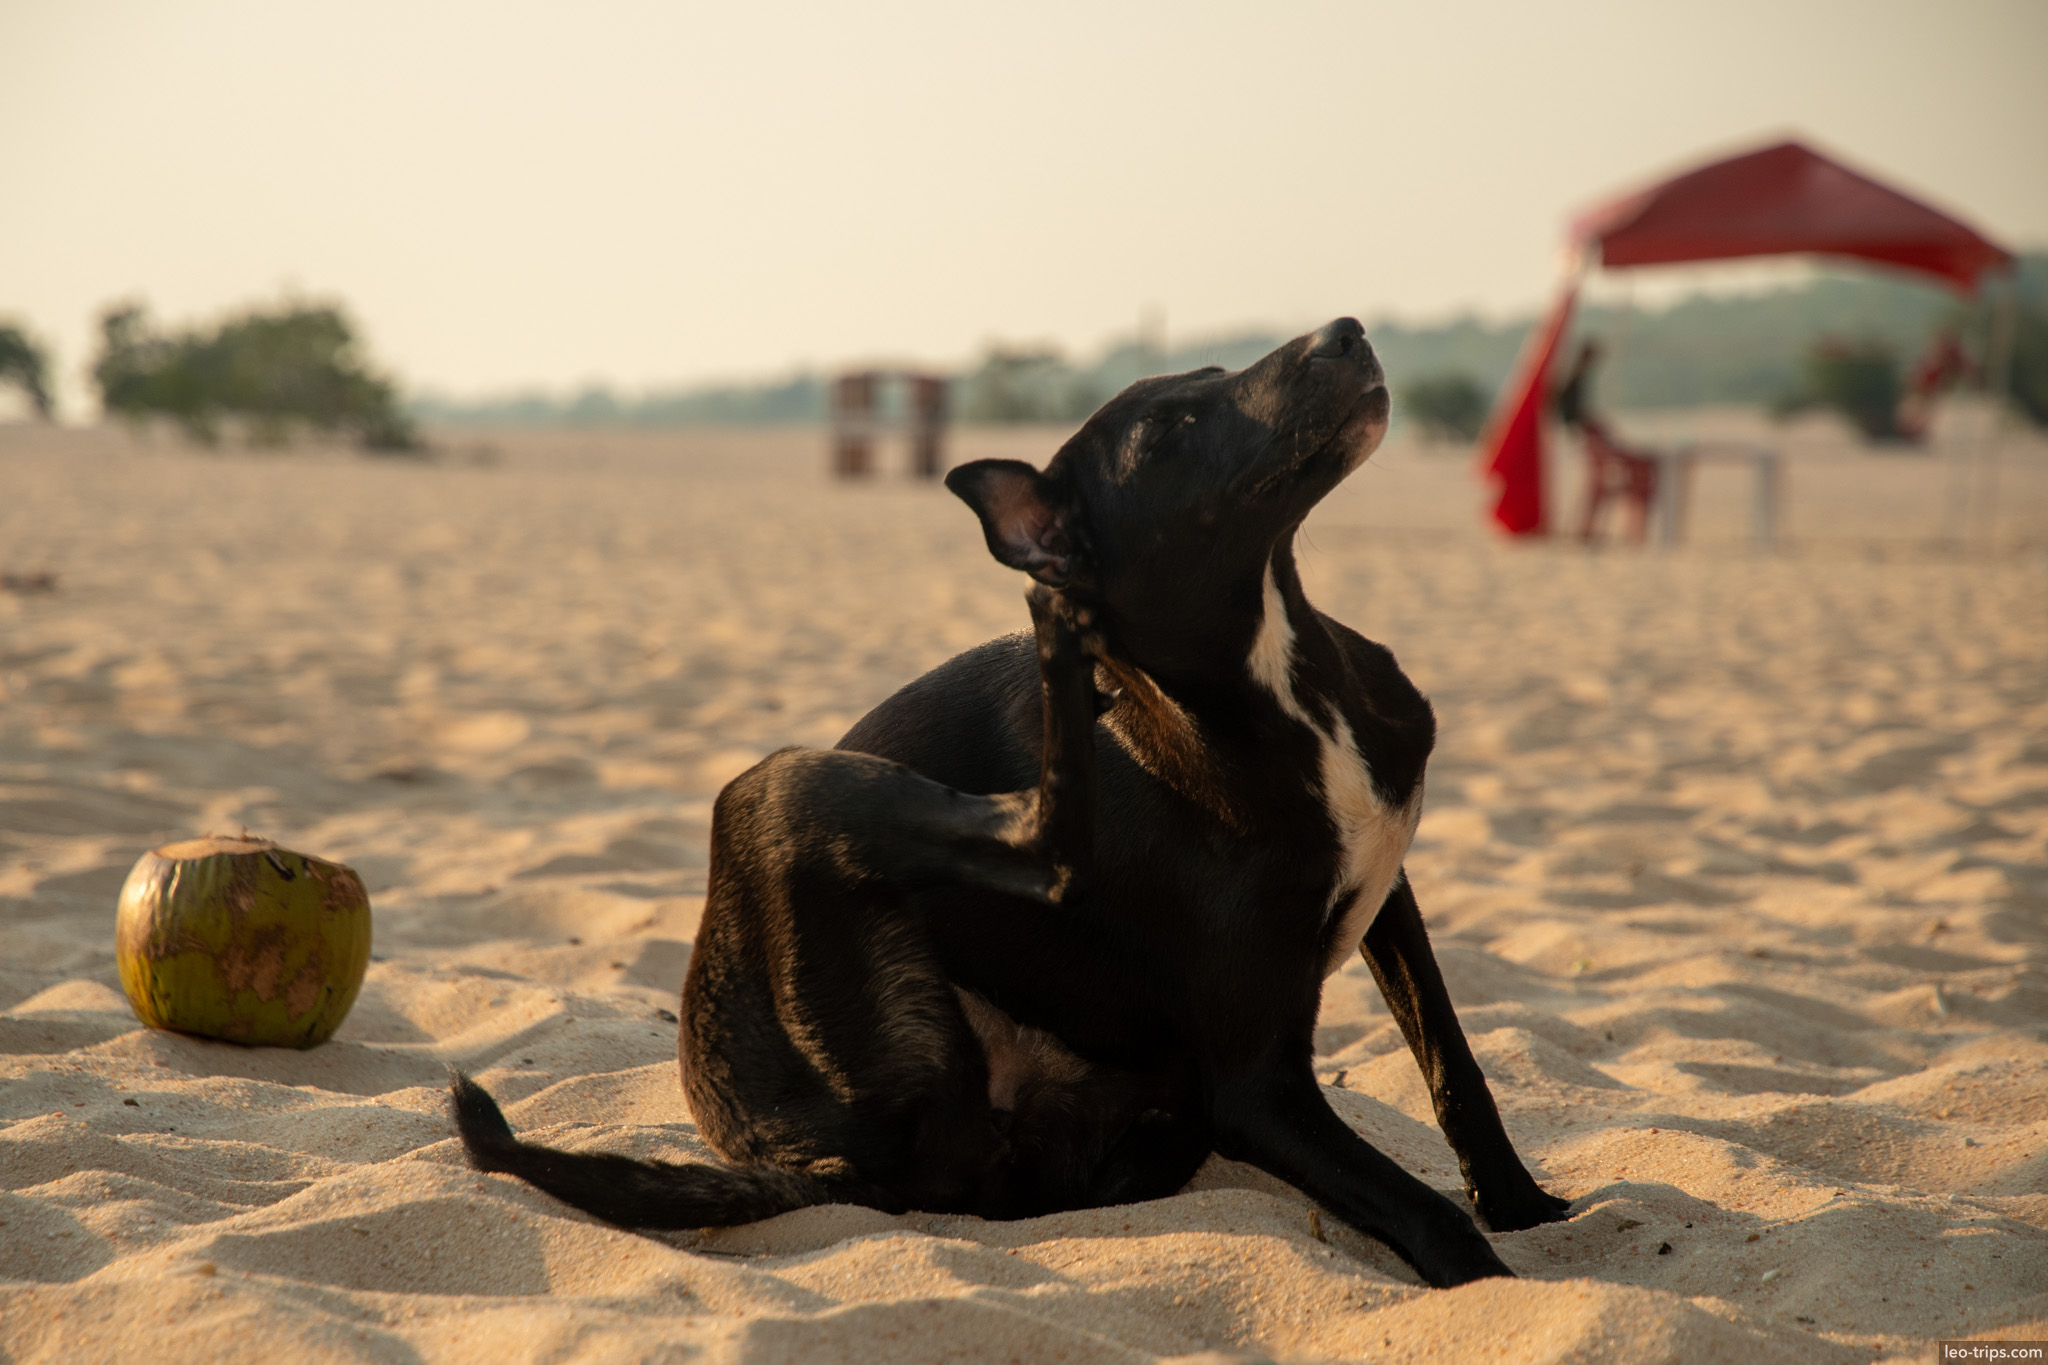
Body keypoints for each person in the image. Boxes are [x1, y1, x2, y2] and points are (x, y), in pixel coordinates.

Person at [1556, 339, 1658, 543]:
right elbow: (1572, 414)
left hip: (1591, 441)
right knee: (1639, 475)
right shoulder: (1574, 383)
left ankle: (1597, 530)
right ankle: (1629, 531)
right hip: (1591, 442)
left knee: (1604, 484)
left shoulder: (1575, 381)